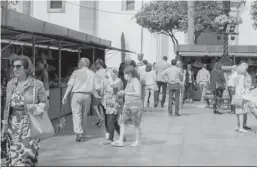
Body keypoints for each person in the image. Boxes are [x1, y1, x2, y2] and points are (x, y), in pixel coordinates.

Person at [2, 55, 48, 166]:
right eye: (13, 66)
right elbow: (7, 106)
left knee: (27, 157)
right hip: (12, 125)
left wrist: (37, 107)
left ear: (26, 69)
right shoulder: (10, 84)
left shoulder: (37, 84)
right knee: (13, 156)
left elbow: (46, 104)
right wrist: (4, 126)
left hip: (30, 124)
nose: (15, 69)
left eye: (18, 66)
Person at [62, 58, 98, 142]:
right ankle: (83, 132)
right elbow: (95, 87)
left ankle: (79, 132)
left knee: (76, 114)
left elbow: (70, 84)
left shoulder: (75, 72)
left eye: (79, 62)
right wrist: (98, 96)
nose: (78, 64)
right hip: (87, 96)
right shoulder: (92, 73)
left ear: (81, 64)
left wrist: (65, 95)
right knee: (84, 115)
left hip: (76, 95)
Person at [111, 65, 143, 147]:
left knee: (136, 124)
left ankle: (137, 141)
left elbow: (138, 93)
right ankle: (120, 140)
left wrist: (126, 93)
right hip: (127, 105)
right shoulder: (129, 81)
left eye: (125, 74)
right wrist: (121, 92)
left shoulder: (135, 81)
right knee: (122, 122)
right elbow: (126, 91)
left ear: (130, 74)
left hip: (135, 105)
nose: (124, 76)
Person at [103, 68, 124, 145]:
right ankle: (122, 135)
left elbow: (114, 88)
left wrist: (109, 77)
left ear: (115, 73)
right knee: (114, 122)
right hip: (109, 105)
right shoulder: (111, 81)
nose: (110, 75)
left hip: (115, 105)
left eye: (111, 73)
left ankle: (110, 139)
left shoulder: (118, 81)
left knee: (110, 121)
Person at [233, 63, 252, 133]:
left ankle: (237, 126)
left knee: (237, 112)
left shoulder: (237, 76)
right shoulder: (242, 77)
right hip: (241, 96)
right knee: (241, 112)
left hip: (236, 96)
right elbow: (242, 88)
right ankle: (241, 127)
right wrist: (245, 91)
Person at [92, 59, 106, 127]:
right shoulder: (106, 71)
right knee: (101, 105)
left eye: (96, 64)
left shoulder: (97, 73)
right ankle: (101, 119)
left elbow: (95, 83)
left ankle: (100, 118)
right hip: (106, 90)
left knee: (94, 105)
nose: (95, 65)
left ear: (99, 64)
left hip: (98, 90)